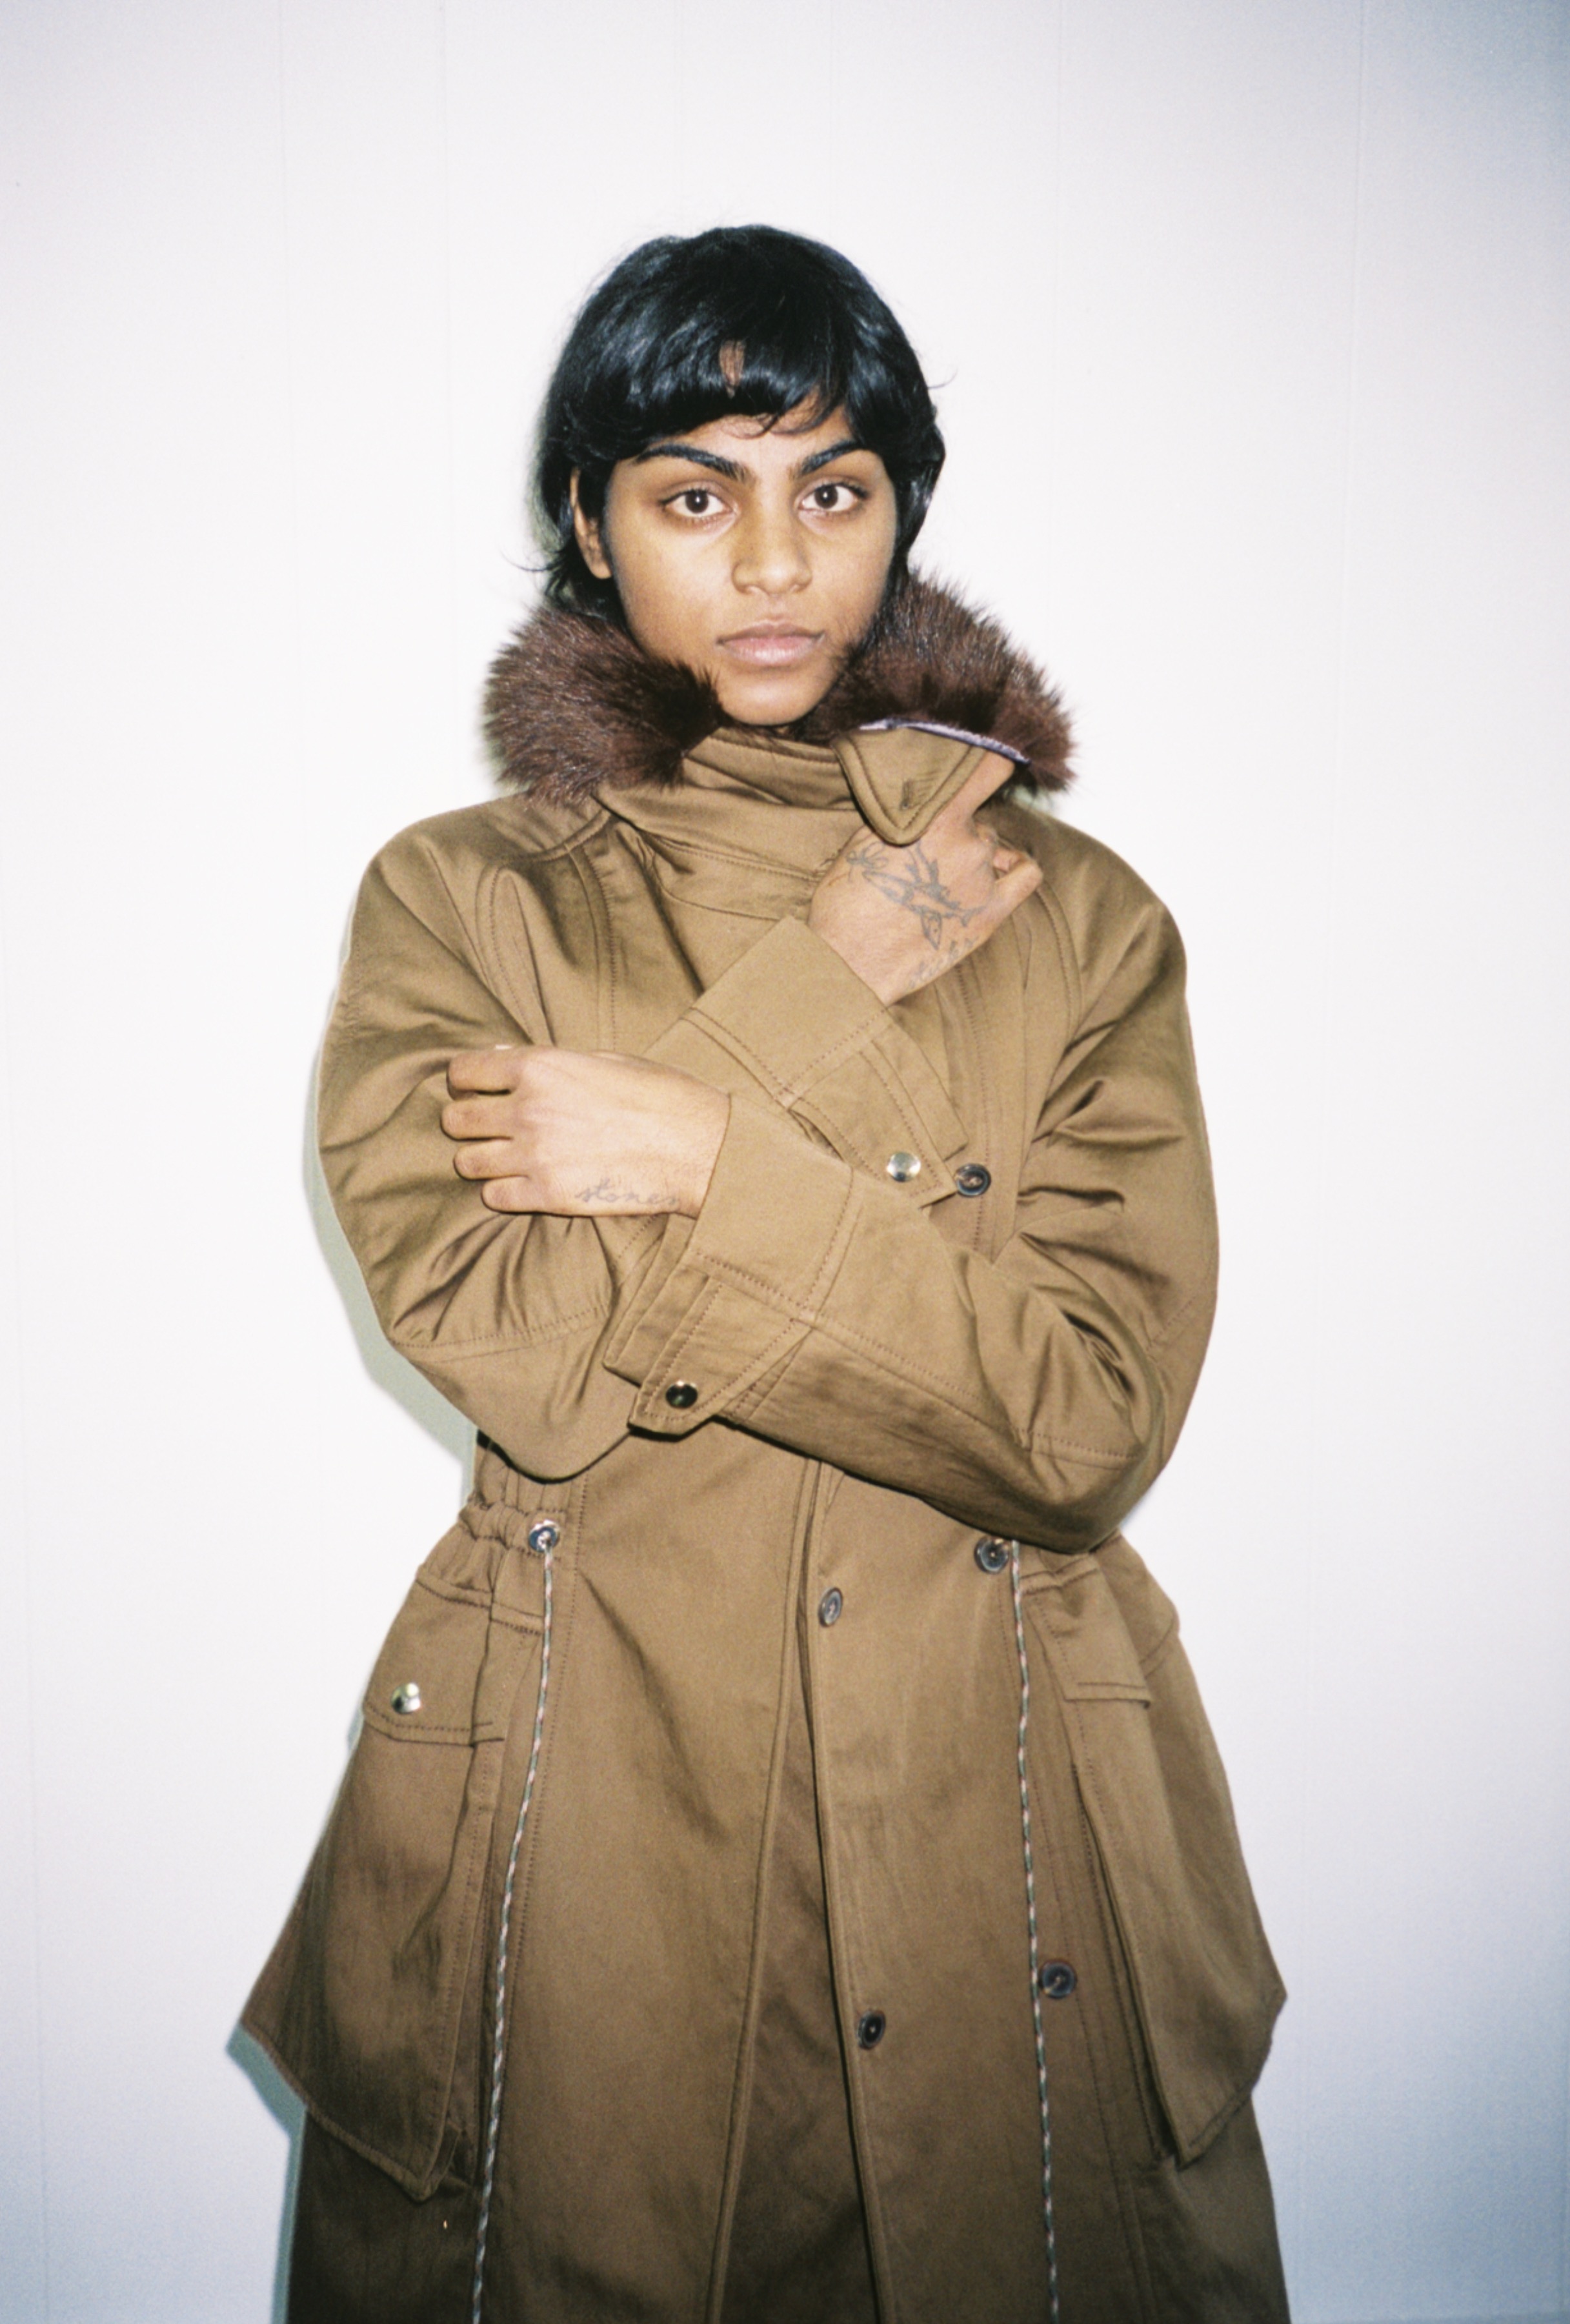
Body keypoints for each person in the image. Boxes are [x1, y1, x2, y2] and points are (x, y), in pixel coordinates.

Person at [245, 224, 1290, 2323]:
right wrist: (821, 995)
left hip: (1003, 1804)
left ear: (901, 512)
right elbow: (530, 1360)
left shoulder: (1074, 916)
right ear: (587, 520)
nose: (774, 559)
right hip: (593, 1807)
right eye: (693, 494)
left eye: (831, 487)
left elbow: (1083, 1425)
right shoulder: (461, 903)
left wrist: (692, 1150)